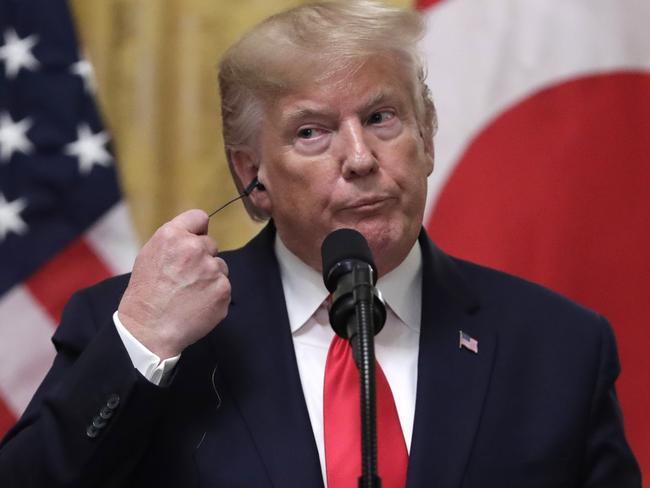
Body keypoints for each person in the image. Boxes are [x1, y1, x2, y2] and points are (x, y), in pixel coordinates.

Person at [0, 1, 641, 487]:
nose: (361, 158)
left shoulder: (561, 347)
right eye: (312, 132)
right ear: (252, 177)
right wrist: (143, 342)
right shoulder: (140, 330)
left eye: (383, 118)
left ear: (428, 139)